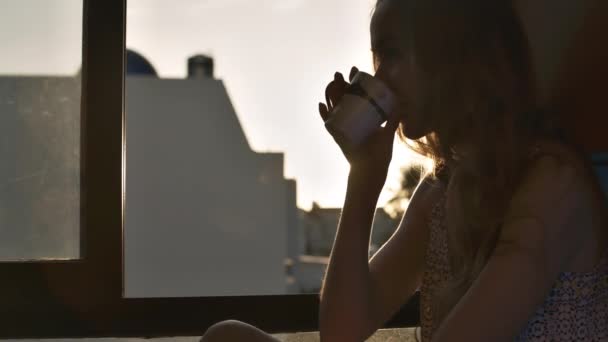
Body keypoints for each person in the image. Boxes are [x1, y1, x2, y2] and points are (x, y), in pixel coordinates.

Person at [201, 0, 608, 341]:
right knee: (228, 336)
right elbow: (342, 332)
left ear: (452, 53)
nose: (379, 78)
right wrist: (363, 176)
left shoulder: (552, 186)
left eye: (391, 53)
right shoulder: (440, 191)